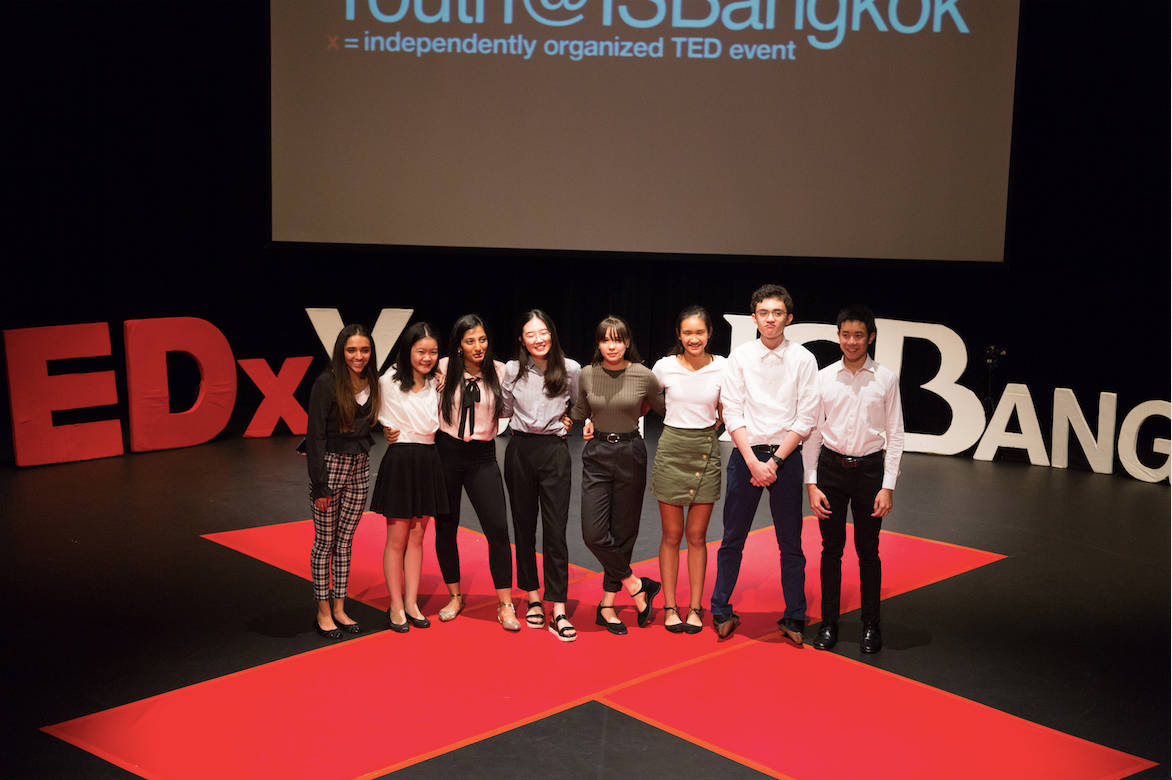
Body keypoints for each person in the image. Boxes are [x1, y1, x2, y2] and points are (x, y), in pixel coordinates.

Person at [711, 284, 819, 644]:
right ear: (754, 317)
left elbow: (806, 417)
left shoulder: (803, 359)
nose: (770, 319)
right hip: (746, 457)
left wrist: (773, 461)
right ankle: (721, 609)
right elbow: (732, 410)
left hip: (785, 458)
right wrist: (754, 462)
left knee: (790, 543)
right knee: (732, 539)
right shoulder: (740, 357)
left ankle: (794, 616)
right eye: (763, 313)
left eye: (777, 313)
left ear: (788, 317)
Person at [803, 305, 905, 654]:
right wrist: (811, 483)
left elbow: (896, 433)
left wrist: (887, 486)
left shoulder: (886, 378)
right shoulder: (824, 377)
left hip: (870, 473)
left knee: (868, 552)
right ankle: (829, 624)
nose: (851, 341)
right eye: (845, 334)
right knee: (830, 551)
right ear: (838, 336)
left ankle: (871, 626)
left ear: (871, 337)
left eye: (858, 335)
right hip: (831, 470)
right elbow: (814, 432)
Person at [570, 315, 666, 635]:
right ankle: (638, 585)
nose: (612, 346)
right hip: (596, 454)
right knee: (593, 533)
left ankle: (607, 605)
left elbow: (657, 407)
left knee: (624, 532)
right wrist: (585, 422)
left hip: (630, 453)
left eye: (618, 340)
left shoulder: (643, 375)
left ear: (627, 342)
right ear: (598, 343)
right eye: (605, 340)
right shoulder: (587, 374)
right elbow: (580, 413)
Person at [433, 315, 520, 632]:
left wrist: (564, 419)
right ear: (458, 346)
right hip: (446, 453)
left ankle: (505, 603)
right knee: (446, 526)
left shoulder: (500, 371)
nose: (478, 346)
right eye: (470, 341)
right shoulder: (441, 367)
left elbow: (518, 403)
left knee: (498, 529)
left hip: (483, 455)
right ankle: (455, 596)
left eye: (482, 339)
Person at [501, 309, 581, 641]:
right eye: (531, 334)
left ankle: (558, 606)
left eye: (543, 332)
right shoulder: (513, 370)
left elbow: (578, 403)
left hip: (554, 452)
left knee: (555, 529)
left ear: (552, 333)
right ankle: (533, 597)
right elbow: (505, 408)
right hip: (519, 450)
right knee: (523, 525)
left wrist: (571, 419)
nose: (539, 339)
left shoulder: (571, 368)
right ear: (521, 339)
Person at [650, 306, 725, 634]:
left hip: (706, 453)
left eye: (700, 332)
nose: (694, 339)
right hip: (671, 451)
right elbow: (645, 401)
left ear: (709, 334)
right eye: (687, 333)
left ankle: (695, 607)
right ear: (679, 336)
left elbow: (729, 408)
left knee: (697, 536)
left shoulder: (724, 367)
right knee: (671, 535)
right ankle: (669, 606)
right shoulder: (664, 367)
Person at [369, 322, 448, 633]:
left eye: (432, 352)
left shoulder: (436, 384)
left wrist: (439, 379)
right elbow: (370, 405)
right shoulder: (389, 380)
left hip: (428, 458)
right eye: (421, 351)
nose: (427, 358)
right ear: (408, 351)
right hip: (401, 458)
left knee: (418, 537)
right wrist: (383, 426)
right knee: (397, 538)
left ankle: (412, 602)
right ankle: (396, 604)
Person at [306, 324, 382, 640]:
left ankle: (339, 607)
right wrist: (320, 484)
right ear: (341, 351)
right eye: (352, 350)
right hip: (331, 467)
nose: (358, 356)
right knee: (326, 543)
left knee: (345, 541)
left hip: (360, 467)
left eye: (364, 350)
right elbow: (315, 436)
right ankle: (323, 611)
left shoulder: (373, 383)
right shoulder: (327, 383)